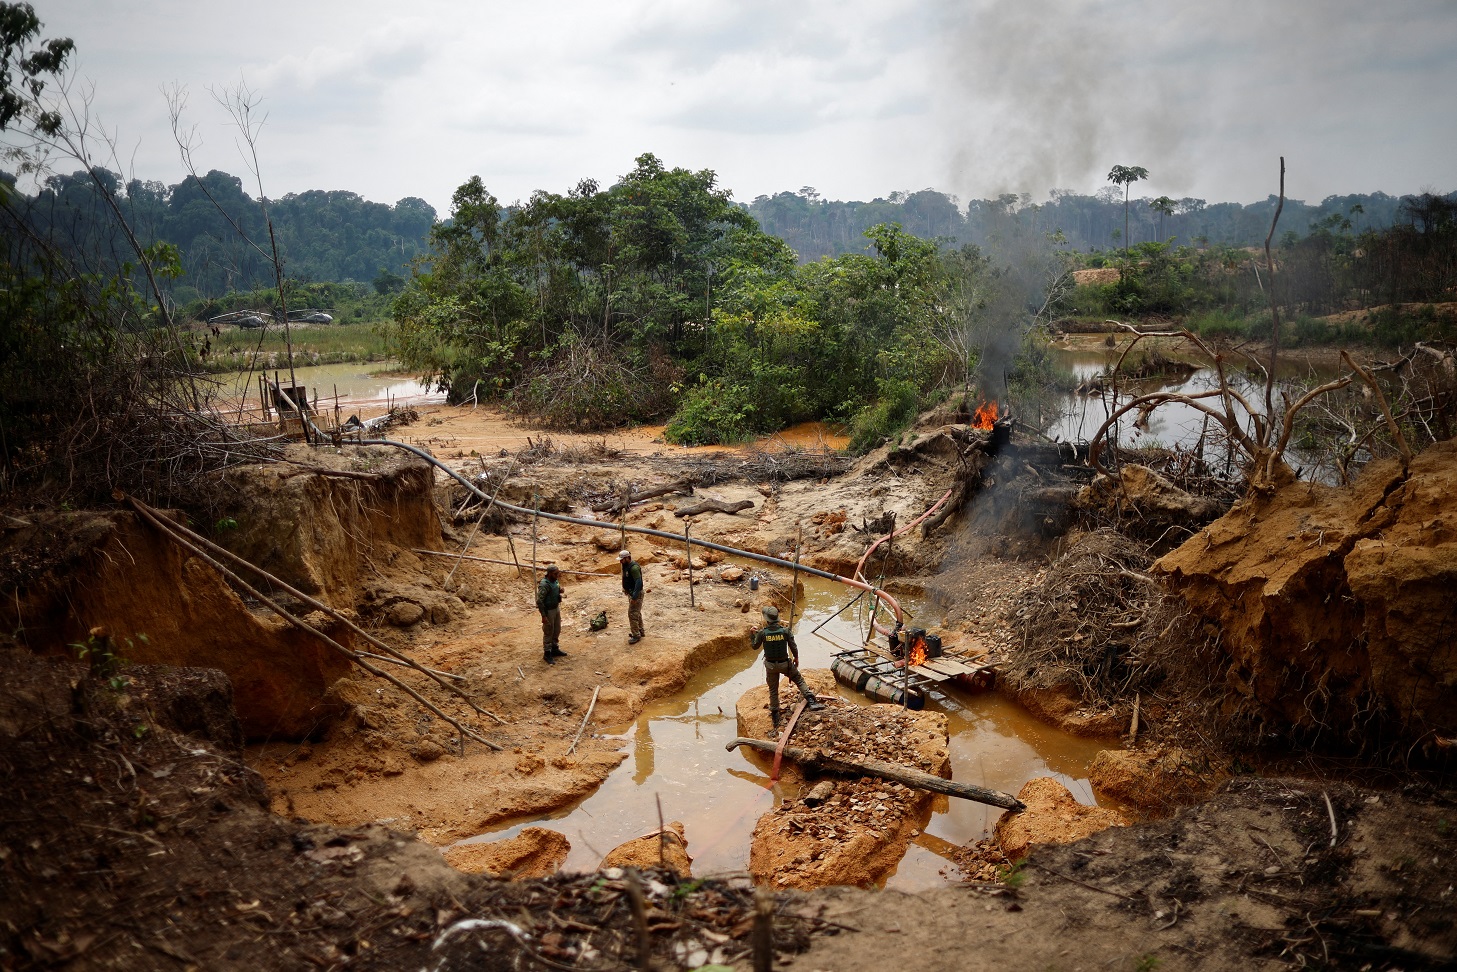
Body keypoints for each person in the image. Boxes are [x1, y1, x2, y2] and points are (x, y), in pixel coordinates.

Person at [751, 605, 821, 728]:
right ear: (777, 619)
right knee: (798, 680)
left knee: (773, 690)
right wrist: (796, 658)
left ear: (767, 620)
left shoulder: (762, 633)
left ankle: (775, 715)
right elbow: (793, 646)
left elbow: (755, 646)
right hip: (785, 664)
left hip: (771, 666)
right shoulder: (785, 631)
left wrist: (753, 634)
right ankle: (811, 700)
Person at [536, 565, 567, 664]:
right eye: (555, 573)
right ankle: (547, 653)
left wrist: (560, 590)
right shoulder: (544, 584)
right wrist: (543, 616)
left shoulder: (555, 580)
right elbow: (540, 601)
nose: (558, 575)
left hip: (556, 608)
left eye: (558, 573)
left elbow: (556, 589)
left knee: (557, 629)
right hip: (548, 611)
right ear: (549, 574)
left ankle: (554, 648)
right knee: (549, 631)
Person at [618, 549, 645, 644]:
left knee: (632, 613)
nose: (620, 561)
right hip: (631, 592)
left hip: (636, 594)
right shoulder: (626, 566)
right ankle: (640, 631)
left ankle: (636, 635)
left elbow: (638, 582)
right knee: (636, 612)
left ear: (627, 558)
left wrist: (634, 596)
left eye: (622, 559)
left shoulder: (634, 568)